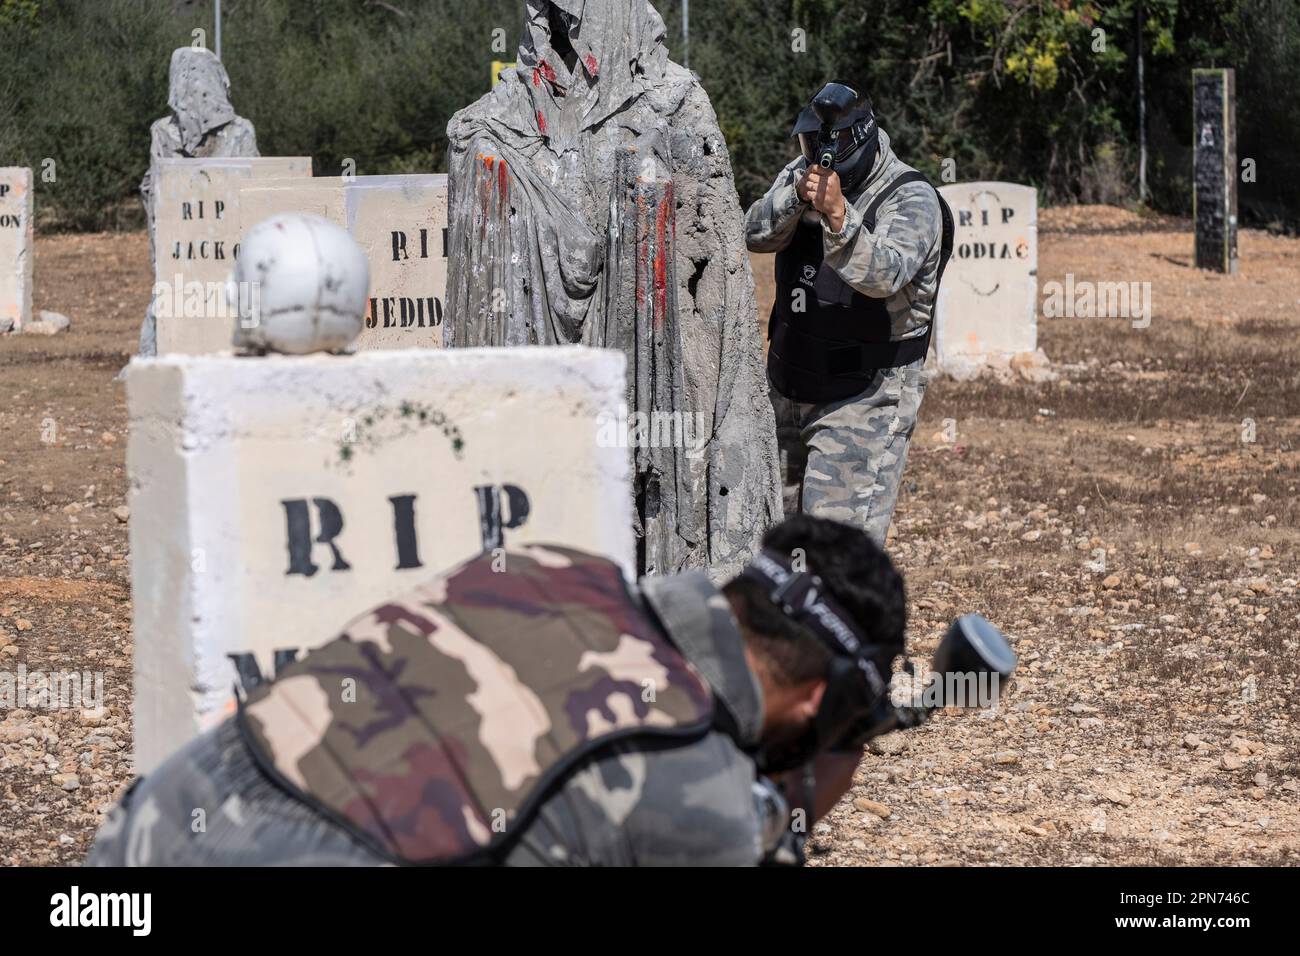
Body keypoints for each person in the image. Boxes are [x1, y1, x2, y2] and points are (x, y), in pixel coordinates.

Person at [87, 514, 907, 866]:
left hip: (140, 837)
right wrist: (797, 809)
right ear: (815, 701)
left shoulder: (555, 568)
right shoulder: (703, 792)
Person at [445, 0, 781, 580]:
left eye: (573, 18)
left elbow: (714, 249)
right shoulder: (504, 112)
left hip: (662, 353)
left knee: (655, 488)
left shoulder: (673, 98)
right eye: (548, 18)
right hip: (548, 367)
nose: (561, 33)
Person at [746, 82, 952, 546]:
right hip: (790, 381)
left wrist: (839, 216)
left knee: (833, 552)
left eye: (820, 149)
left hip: (865, 397)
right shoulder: (801, 174)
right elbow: (754, 233)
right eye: (805, 146)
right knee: (772, 542)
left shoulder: (911, 197)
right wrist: (795, 199)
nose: (812, 159)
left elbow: (884, 275)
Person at [135, 46, 259, 358]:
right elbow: (157, 194)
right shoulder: (162, 132)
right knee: (171, 299)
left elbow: (254, 191)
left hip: (230, 248)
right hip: (183, 247)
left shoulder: (241, 131)